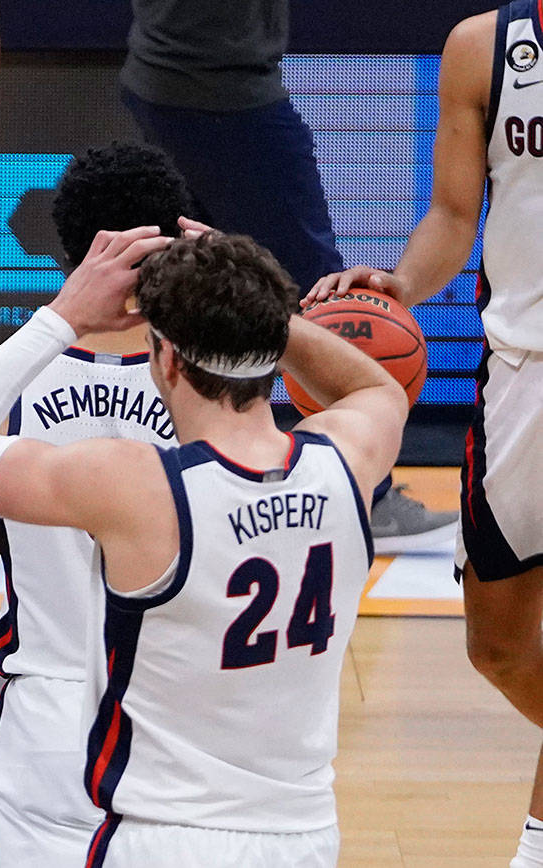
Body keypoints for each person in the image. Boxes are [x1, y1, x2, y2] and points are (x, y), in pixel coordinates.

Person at [0, 227, 408, 865]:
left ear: (166, 359)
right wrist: (262, 305)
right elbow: (380, 390)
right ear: (273, 343)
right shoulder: (347, 460)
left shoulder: (138, 488)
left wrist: (61, 317)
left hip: (166, 837)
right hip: (303, 835)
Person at [304, 6, 543, 864]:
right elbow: (453, 211)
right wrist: (399, 282)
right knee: (499, 648)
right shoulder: (485, 46)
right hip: (522, 374)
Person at [119, 0, 456, 555]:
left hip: (166, 73)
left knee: (185, 285)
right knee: (324, 298)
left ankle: (199, 480)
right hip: (219, 86)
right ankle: (364, 495)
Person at [0, 142, 187, 865]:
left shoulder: (0, 387)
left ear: (65, 242)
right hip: (181, 720)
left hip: (44, 725)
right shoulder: (219, 387)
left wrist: (23, 703)